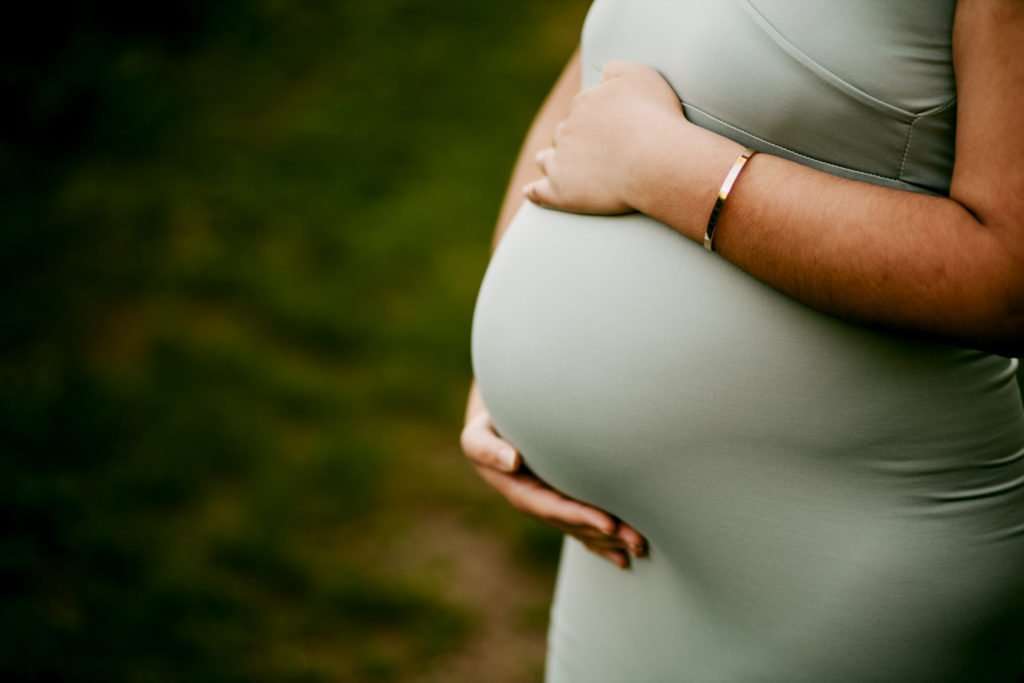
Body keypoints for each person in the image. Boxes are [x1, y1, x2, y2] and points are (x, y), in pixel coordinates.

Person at [462, 1, 1024, 680]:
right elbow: (597, 76)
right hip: (616, 544)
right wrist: (494, 383)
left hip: (842, 551)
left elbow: (1008, 277)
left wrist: (667, 168)